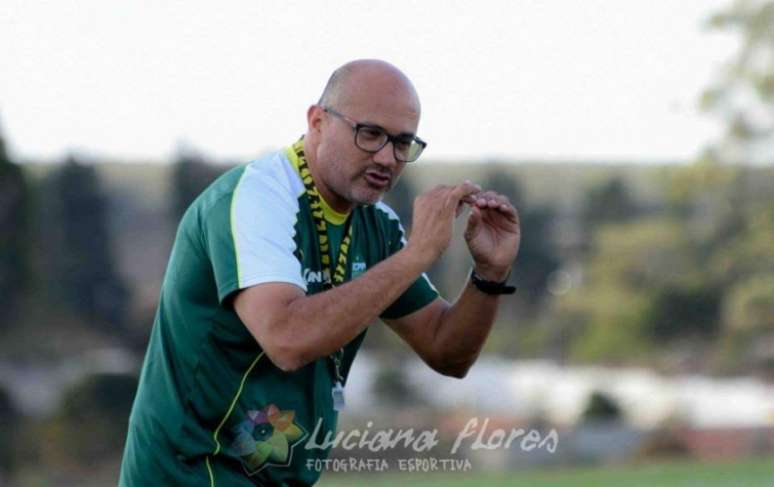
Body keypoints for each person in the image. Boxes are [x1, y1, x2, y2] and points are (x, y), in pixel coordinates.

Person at [120, 59, 521, 486]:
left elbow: (448, 352)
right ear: (317, 122)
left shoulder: (377, 225)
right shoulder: (256, 199)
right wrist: (418, 254)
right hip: (190, 474)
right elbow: (288, 339)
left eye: (403, 143)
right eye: (370, 134)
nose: (387, 157)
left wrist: (489, 275)